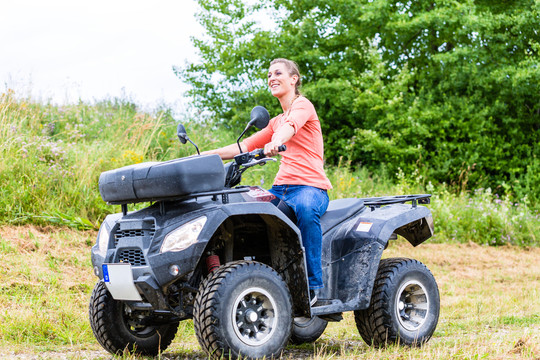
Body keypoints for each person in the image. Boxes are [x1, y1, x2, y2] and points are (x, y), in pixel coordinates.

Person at [204, 58, 332, 305]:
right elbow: (244, 146)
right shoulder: (275, 121)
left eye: (278, 73)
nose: (272, 78)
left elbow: (291, 127)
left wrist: (275, 142)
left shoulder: (303, 105)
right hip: (281, 189)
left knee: (306, 211)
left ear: (293, 79)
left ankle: (313, 286)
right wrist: (204, 156)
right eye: (269, 75)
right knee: (248, 215)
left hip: (310, 187)